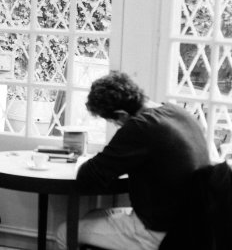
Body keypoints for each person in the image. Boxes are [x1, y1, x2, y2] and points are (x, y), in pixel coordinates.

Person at [55, 71, 210, 250]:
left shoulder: (139, 127)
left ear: (121, 114)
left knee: (65, 232)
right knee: (92, 215)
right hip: (194, 226)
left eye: (113, 121)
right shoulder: (178, 113)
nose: (117, 126)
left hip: (159, 232)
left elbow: (87, 176)